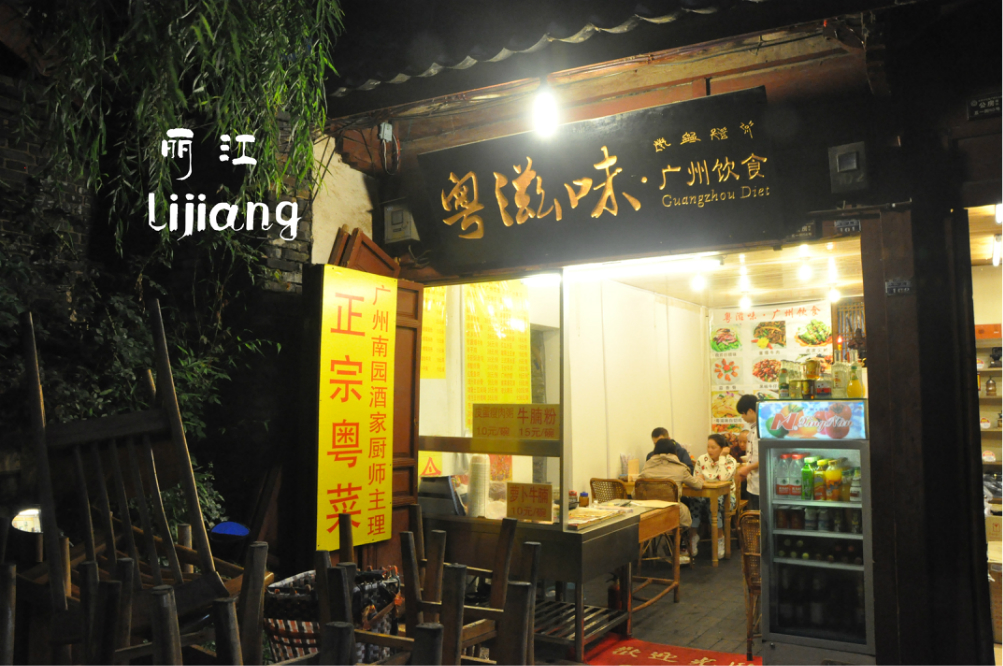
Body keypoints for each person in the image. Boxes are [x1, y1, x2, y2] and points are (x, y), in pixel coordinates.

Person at [638, 443, 703, 563]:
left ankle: (657, 551)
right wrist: (700, 478)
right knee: (684, 509)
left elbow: (635, 493)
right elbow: (697, 486)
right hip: (672, 514)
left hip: (649, 514)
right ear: (675, 453)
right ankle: (677, 552)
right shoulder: (680, 468)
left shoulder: (647, 467)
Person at [692, 434, 739, 557]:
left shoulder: (730, 461)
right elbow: (696, 480)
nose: (710, 450)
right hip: (704, 494)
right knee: (694, 501)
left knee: (715, 503)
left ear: (723, 448)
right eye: (708, 447)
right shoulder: (702, 459)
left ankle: (720, 538)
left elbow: (723, 478)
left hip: (727, 497)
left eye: (713, 447)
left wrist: (722, 457)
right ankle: (693, 536)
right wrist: (699, 479)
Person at [733, 395, 760, 510]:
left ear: (750, 411)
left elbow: (764, 458)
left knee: (758, 514)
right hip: (753, 483)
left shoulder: (761, 430)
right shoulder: (753, 430)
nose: (742, 416)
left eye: (743, 413)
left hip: (760, 483)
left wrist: (747, 468)